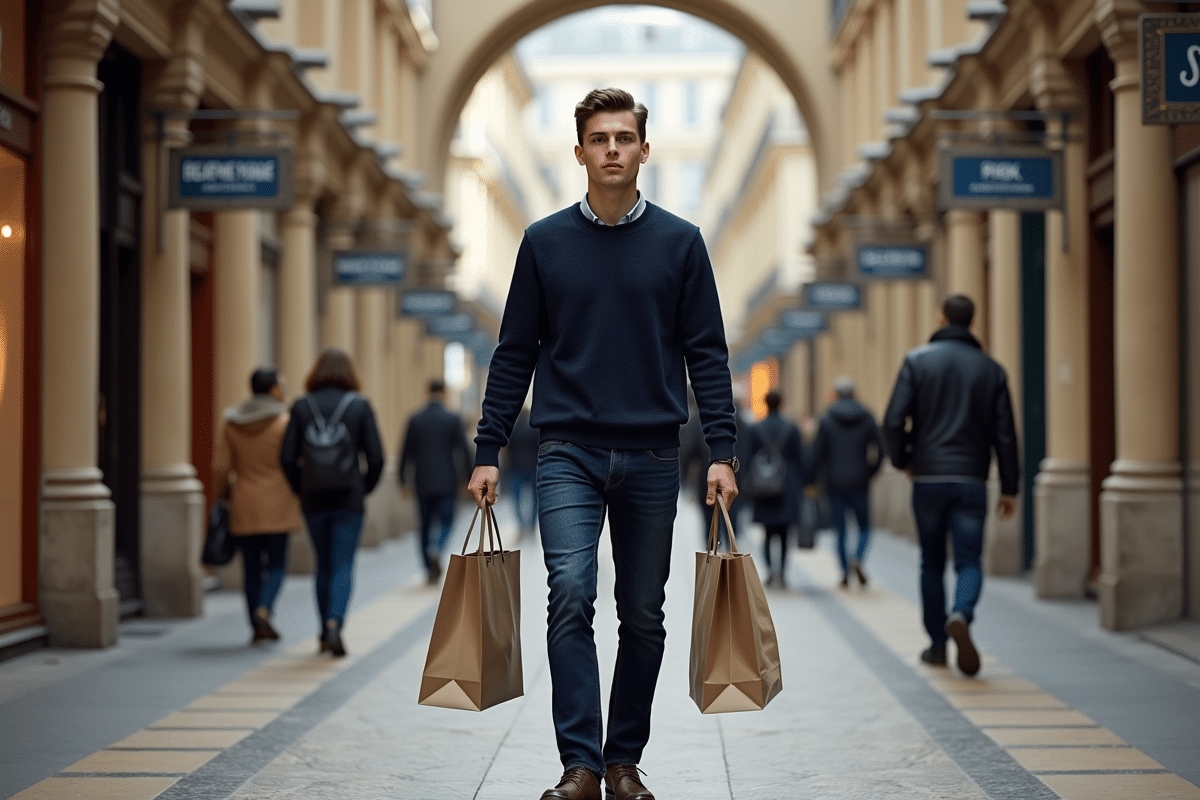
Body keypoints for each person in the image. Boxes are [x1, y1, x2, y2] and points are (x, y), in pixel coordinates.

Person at [467, 87, 739, 800]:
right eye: (599, 137)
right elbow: (514, 350)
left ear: (644, 150)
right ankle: (580, 766)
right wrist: (488, 447)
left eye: (624, 137)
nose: (612, 148)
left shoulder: (680, 242)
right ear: (580, 150)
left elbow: (706, 352)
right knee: (571, 595)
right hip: (566, 452)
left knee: (643, 613)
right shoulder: (545, 242)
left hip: (653, 455)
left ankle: (624, 761)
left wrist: (721, 451)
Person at [882, 294, 1019, 677]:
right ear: (972, 322)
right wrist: (1010, 487)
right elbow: (1005, 435)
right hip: (972, 479)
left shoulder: (917, 361)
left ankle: (938, 645)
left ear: (941, 319)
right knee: (970, 559)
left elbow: (893, 421)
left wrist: (905, 460)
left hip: (927, 478)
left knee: (931, 561)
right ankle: (961, 612)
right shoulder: (992, 370)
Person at [280, 348, 384, 658]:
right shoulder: (360, 406)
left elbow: (286, 457)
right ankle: (335, 624)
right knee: (343, 563)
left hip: (313, 498)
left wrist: (301, 488)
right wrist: (362, 488)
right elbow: (376, 457)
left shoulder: (301, 406)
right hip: (348, 499)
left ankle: (323, 629)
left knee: (322, 564)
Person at [212, 368, 303, 644]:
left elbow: (220, 467)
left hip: (244, 501)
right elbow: (295, 462)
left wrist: (223, 495)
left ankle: (255, 625)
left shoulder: (231, 422)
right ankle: (264, 610)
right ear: (273, 390)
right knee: (276, 564)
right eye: (282, 386)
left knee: (251, 568)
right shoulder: (285, 422)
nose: (285, 392)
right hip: (278, 502)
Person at [806, 376, 886, 588]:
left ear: (835, 395)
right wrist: (870, 472)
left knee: (840, 529)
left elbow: (817, 454)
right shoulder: (867, 416)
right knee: (865, 527)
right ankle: (858, 557)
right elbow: (881, 449)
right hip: (860, 481)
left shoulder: (826, 419)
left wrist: (812, 480)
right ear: (855, 394)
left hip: (834, 483)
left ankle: (844, 572)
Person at [399, 379, 472, 582]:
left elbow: (405, 452)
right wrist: (468, 477)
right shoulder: (452, 418)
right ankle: (437, 547)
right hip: (447, 481)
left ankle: (428, 567)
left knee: (424, 525)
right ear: (444, 394)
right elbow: (463, 451)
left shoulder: (415, 419)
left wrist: (402, 481)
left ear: (426, 393)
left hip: (422, 481)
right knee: (448, 520)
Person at [745, 390, 806, 589]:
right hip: (787, 485)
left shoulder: (756, 429)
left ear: (766, 404)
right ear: (781, 403)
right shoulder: (791, 428)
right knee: (785, 533)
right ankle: (783, 574)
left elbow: (748, 457)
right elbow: (800, 458)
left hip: (764, 486)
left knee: (767, 532)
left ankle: (771, 571)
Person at [502, 405, 540, 541]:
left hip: (515, 468)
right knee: (535, 500)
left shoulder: (512, 429)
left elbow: (506, 449)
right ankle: (531, 525)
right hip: (532, 468)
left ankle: (522, 525)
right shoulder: (535, 429)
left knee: (516, 500)